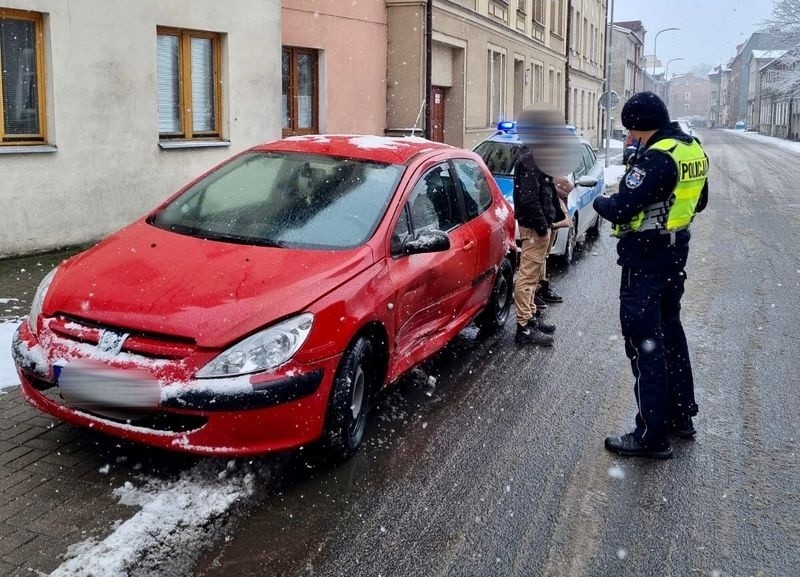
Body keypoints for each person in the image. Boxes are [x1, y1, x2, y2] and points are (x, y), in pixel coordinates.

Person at [593, 91, 709, 459]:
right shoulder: (691, 149)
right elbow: (700, 201)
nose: (629, 138)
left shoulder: (657, 158)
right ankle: (681, 416)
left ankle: (651, 434)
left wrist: (600, 198)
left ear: (643, 127)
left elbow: (621, 208)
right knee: (671, 334)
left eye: (631, 130)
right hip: (675, 257)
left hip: (646, 261)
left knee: (646, 345)